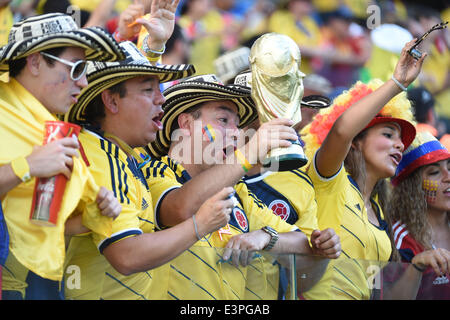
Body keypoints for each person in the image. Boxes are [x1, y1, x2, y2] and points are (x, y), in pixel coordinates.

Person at [62, 2, 235, 299]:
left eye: (160, 89)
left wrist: (154, 46)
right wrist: (199, 224)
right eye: (149, 91)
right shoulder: (100, 155)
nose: (161, 100)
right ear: (111, 103)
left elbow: (128, 86)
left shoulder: (125, 153)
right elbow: (126, 256)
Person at [144, 73, 341, 300]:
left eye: (238, 125)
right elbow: (180, 208)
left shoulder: (237, 192)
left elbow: (303, 244)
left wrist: (266, 237)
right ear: (186, 124)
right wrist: (250, 151)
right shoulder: (155, 172)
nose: (237, 133)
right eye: (223, 120)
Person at [0, 13, 125, 299]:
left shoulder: (50, 127)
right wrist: (27, 166)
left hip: (32, 283)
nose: (83, 84)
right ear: (35, 62)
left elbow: (36, 224)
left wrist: (93, 215)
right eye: (76, 69)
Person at [300, 39, 426, 299]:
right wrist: (397, 84)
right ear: (356, 141)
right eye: (388, 134)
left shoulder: (379, 209)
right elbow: (341, 129)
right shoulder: (331, 180)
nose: (399, 145)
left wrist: (418, 266)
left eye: (400, 139)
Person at [387, 131, 450, 299]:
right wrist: (416, 267)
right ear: (412, 188)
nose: (448, 177)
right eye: (434, 172)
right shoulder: (400, 238)